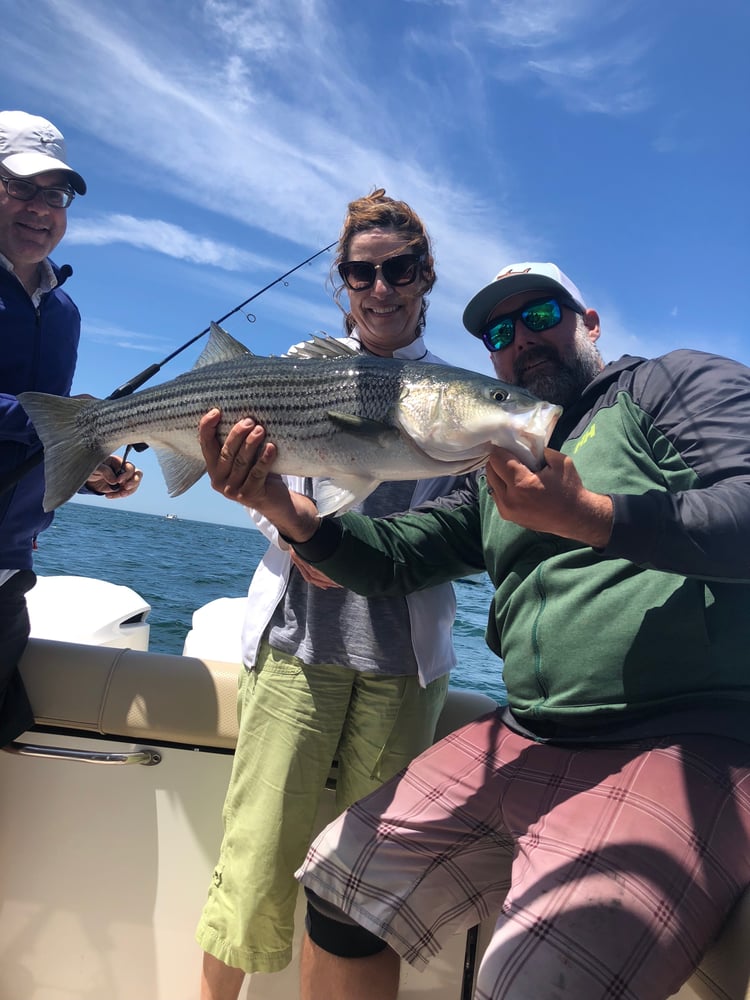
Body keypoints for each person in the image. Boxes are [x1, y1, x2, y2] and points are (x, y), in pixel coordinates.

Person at [204, 261, 750, 1000]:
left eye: (542, 316)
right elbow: (401, 555)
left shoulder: (669, 385)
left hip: (686, 739)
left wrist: (590, 516)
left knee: (535, 981)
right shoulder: (497, 469)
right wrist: (293, 516)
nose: (521, 338)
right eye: (499, 331)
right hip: (532, 733)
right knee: (339, 884)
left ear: (590, 322)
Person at [195, 189, 465, 999]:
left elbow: (461, 526)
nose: (381, 289)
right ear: (342, 282)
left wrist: (352, 548)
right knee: (255, 859)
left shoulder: (459, 397)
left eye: (400, 269)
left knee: (363, 889)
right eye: (362, 273)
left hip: (400, 665)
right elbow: (261, 491)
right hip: (295, 646)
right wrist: (287, 533)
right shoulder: (298, 368)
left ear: (426, 276)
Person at [0, 110, 142, 747]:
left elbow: (31, 443)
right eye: (21, 187)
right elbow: (38, 424)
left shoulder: (64, 311)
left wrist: (85, 467)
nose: (40, 208)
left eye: (53, 195)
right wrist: (75, 428)